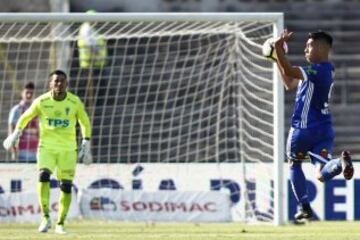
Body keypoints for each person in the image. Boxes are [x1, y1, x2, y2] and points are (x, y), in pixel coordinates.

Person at [274, 30, 354, 222]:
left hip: (303, 129)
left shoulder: (316, 71)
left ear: (319, 47)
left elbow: (290, 71)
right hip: (324, 131)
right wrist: (277, 59)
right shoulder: (326, 70)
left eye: (309, 46)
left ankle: (304, 207)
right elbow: (289, 83)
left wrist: (277, 49)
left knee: (295, 164)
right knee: (320, 172)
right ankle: (339, 164)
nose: (305, 49)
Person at [3, 70, 92, 234]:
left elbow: (84, 122)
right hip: (47, 148)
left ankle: (60, 223)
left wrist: (86, 141)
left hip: (68, 150)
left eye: (62, 81)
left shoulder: (74, 102)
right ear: (50, 83)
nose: (59, 84)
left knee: (65, 186)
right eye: (56, 81)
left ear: (67, 84)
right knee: (43, 175)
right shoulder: (41, 101)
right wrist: (16, 133)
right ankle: (45, 217)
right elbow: (25, 117)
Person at [8, 82, 38, 162]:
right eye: (27, 92)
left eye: (31, 93)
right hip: (21, 152)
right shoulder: (16, 110)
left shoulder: (37, 110)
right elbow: (12, 132)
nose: (29, 95)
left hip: (36, 152)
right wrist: (13, 152)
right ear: (22, 93)